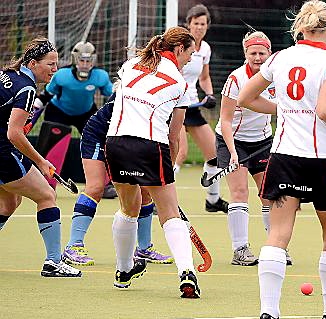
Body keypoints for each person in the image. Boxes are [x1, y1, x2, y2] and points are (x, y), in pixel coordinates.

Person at [238, 0, 326, 319]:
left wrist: (283, 110)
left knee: (277, 236)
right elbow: (325, 110)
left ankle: (269, 317)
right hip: (319, 160)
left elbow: (245, 97)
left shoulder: (279, 57)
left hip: (282, 158)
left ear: (300, 27)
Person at [105, 27, 200, 298]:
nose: (190, 59)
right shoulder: (180, 84)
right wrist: (165, 169)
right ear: (179, 49)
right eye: (190, 53)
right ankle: (186, 274)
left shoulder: (130, 65)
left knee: (128, 208)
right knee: (169, 213)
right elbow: (173, 136)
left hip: (116, 142)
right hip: (150, 145)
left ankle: (123, 271)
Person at [0, 37, 81, 278]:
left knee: (9, 203)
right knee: (47, 195)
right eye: (50, 64)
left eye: (57, 64)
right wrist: (41, 160)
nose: (55, 70)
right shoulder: (26, 87)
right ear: (33, 63)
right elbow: (14, 133)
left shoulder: (6, 74)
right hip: (3, 153)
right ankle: (54, 262)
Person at [62, 91, 173, 266]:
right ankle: (73, 246)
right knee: (96, 187)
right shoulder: (133, 89)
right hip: (98, 135)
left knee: (145, 191)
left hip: (128, 140)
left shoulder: (165, 98)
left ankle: (144, 249)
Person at [216, 31, 294, 267]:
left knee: (269, 193)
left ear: (269, 53)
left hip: (263, 142)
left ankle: (276, 247)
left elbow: (284, 109)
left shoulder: (276, 76)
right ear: (245, 54)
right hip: (233, 140)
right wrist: (231, 152)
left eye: (262, 52)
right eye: (253, 53)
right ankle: (240, 250)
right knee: (239, 193)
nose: (258, 57)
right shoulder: (236, 79)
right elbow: (226, 120)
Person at [34, 41, 115, 197]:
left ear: (94, 61)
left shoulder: (101, 77)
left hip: (85, 113)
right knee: (51, 143)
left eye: (88, 61)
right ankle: (46, 185)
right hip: (58, 111)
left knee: (100, 141)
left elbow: (112, 96)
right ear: (75, 59)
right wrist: (33, 111)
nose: (85, 65)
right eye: (81, 60)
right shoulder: (61, 75)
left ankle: (103, 185)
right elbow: (46, 96)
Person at [173, 4, 229, 214]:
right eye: (195, 23)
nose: (199, 27)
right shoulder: (178, 46)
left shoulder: (205, 49)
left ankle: (212, 201)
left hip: (192, 106)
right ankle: (159, 200)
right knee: (180, 153)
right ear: (188, 24)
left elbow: (203, 78)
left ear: (207, 26)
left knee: (214, 154)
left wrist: (209, 95)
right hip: (175, 106)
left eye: (202, 24)